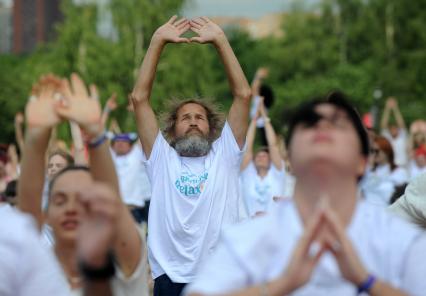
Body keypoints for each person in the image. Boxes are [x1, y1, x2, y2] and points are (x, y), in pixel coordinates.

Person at [185, 92, 426, 296]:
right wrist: (281, 284)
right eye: (310, 123)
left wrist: (367, 281)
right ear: (289, 157)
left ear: (363, 161)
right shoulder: (246, 239)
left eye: (339, 124)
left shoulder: (403, 241)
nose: (323, 127)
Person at [130, 15, 251, 295]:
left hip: (220, 275)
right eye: (185, 118)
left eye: (200, 117)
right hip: (169, 276)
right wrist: (157, 42)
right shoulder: (161, 158)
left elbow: (243, 95)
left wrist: (221, 41)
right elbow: (139, 98)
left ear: (211, 129)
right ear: (172, 130)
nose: (194, 121)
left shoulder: (226, 154)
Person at [18, 73, 148, 295]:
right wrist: (35, 138)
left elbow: (113, 203)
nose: (71, 208)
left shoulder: (121, 266)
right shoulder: (31, 272)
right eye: (59, 200)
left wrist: (96, 134)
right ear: (47, 215)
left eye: (82, 200)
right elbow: (27, 220)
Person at [240, 99, 287, 217]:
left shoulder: (277, 174)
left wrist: (265, 118)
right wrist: (254, 120)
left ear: (271, 161)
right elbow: (248, 147)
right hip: (250, 228)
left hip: (274, 229)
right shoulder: (248, 176)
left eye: (264, 155)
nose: (260, 156)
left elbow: (273, 145)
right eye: (258, 156)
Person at [110, 133, 151, 224]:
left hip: (134, 208)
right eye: (117, 141)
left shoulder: (136, 154)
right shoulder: (110, 157)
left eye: (124, 141)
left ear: (130, 145)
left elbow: (145, 135)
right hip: (115, 208)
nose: (120, 144)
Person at [362, 136, 408, 206]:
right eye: (372, 151)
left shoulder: (399, 172)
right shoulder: (368, 172)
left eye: (376, 151)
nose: (374, 154)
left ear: (387, 152)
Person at [380, 97, 408, 167]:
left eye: (395, 128)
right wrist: (387, 108)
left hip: (402, 167)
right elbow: (383, 125)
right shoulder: (387, 138)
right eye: (391, 129)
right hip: (389, 167)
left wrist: (395, 108)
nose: (393, 130)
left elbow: (401, 124)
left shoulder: (402, 137)